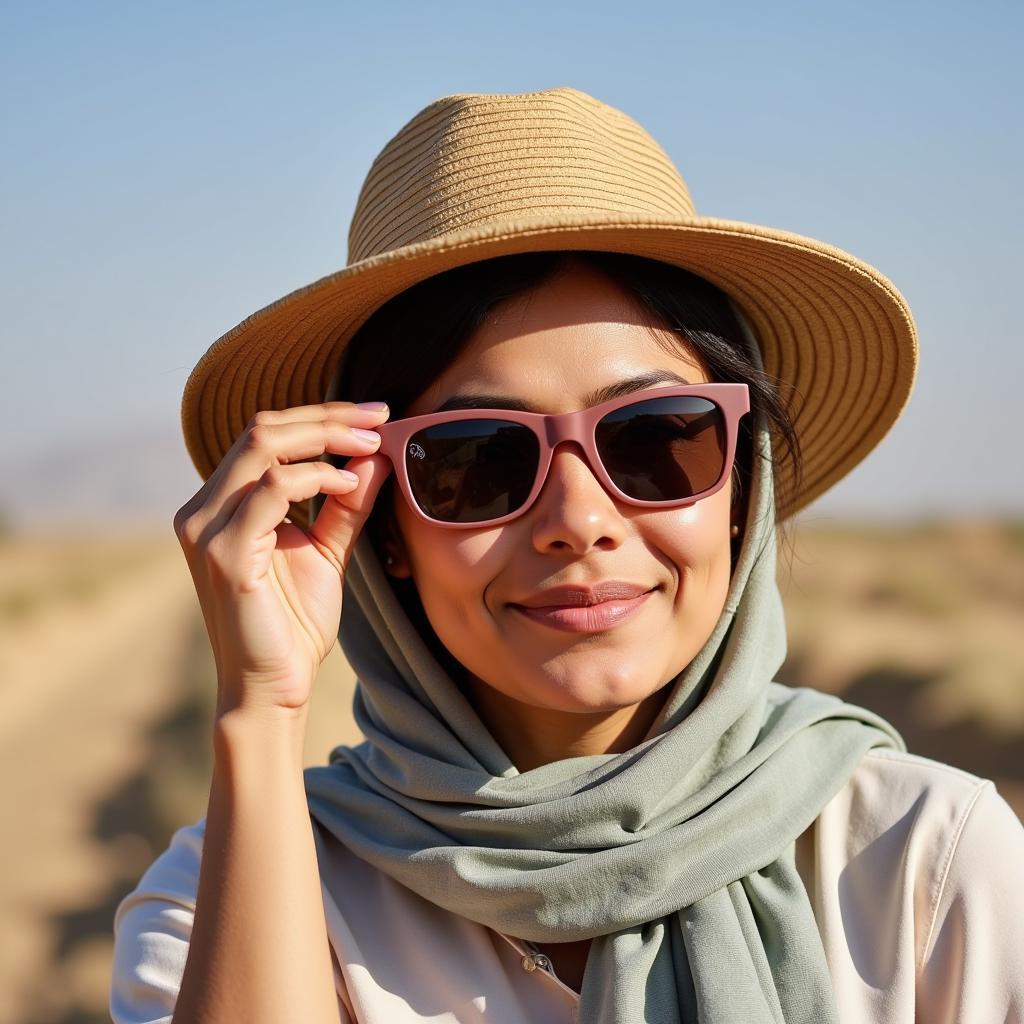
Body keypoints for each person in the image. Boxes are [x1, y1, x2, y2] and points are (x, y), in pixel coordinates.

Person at [110, 87, 1024, 1024]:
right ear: (384, 526)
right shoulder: (221, 902)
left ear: (744, 492)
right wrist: (260, 712)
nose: (578, 521)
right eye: (476, 459)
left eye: (658, 437)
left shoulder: (925, 864)